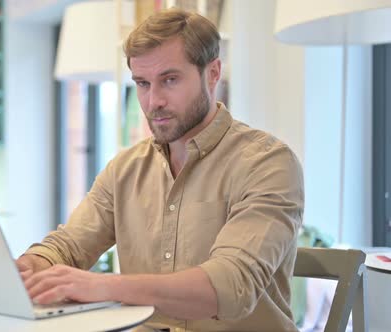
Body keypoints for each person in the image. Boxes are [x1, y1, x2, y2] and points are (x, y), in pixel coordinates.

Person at [16, 8, 303, 332]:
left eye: (169, 80)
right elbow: (67, 247)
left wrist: (104, 287)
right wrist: (31, 267)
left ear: (212, 73)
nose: (153, 102)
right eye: (142, 83)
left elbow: (231, 285)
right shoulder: (125, 170)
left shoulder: (268, 163)